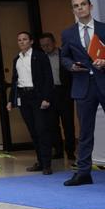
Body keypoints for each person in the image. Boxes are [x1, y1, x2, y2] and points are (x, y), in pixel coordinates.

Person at [59, 0, 105, 186]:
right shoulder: (68, 33)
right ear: (73, 10)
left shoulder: (103, 28)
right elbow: (65, 57)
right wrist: (71, 66)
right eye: (76, 6)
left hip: (103, 82)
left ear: (90, 6)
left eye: (83, 4)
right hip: (82, 86)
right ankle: (84, 172)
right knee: (85, 132)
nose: (80, 8)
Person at [6, 31, 55, 175]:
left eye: (25, 39)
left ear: (31, 41)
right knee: (33, 131)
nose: (22, 42)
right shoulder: (17, 59)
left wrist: (47, 98)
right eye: (19, 40)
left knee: (42, 130)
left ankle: (47, 164)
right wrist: (11, 101)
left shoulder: (40, 57)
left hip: (38, 96)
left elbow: (48, 78)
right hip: (24, 97)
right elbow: (15, 81)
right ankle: (40, 161)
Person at [39, 32, 76, 161]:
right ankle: (58, 150)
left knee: (68, 123)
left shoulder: (64, 55)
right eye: (42, 46)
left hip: (64, 93)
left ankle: (70, 151)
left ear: (54, 42)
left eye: (48, 44)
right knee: (52, 125)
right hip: (49, 94)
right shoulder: (41, 58)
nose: (45, 47)